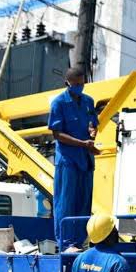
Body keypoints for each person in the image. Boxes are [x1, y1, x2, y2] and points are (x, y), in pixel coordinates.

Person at [48, 67, 101, 252]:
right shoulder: (59, 103)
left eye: (82, 83)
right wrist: (82, 143)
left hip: (86, 159)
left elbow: (93, 124)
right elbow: (57, 134)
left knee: (84, 201)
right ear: (67, 83)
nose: (80, 87)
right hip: (68, 160)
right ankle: (66, 243)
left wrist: (93, 133)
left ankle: (79, 242)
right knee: (66, 201)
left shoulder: (88, 102)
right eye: (76, 84)